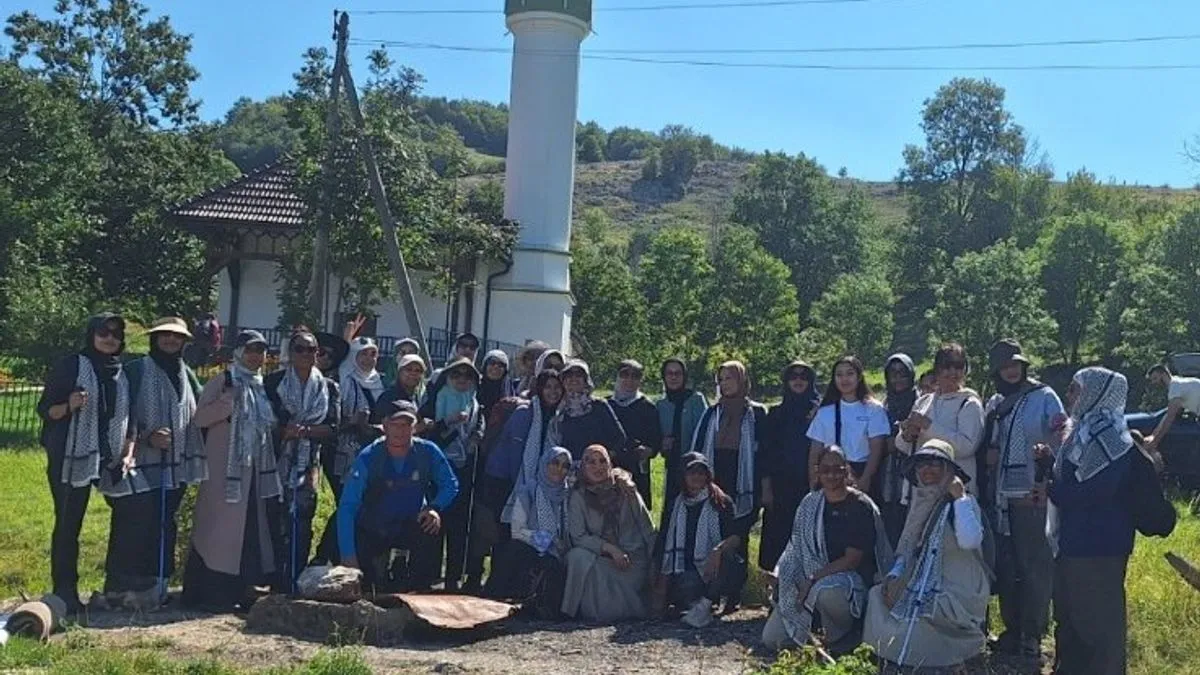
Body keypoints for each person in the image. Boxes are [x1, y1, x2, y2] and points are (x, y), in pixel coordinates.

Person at [863, 439, 990, 670]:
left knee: (917, 626)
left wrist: (959, 497)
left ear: (948, 469)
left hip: (956, 591)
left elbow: (970, 540)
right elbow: (906, 550)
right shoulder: (920, 503)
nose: (927, 469)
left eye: (934, 463)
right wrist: (894, 577)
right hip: (920, 583)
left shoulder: (964, 502)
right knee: (876, 596)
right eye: (921, 464)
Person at [107, 317, 207, 606]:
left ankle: (156, 583)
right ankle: (121, 585)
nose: (170, 341)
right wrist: (146, 437)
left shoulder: (185, 373)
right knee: (133, 522)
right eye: (165, 336)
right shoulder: (136, 370)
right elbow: (120, 409)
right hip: (137, 461)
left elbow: (198, 406)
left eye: (176, 338)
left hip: (175, 464)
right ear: (155, 338)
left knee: (164, 522)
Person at [38, 313, 133, 613]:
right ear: (91, 334)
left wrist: (128, 451)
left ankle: (116, 585)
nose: (110, 338)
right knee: (69, 524)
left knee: (128, 516)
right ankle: (65, 592)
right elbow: (45, 409)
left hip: (112, 457)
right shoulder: (72, 365)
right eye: (103, 332)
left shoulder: (122, 370)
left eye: (116, 334)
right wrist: (69, 405)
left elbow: (130, 416)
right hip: (71, 455)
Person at [1048, 367, 1136, 675]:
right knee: (1072, 619)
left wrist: (1052, 491)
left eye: (1075, 390)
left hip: (1099, 546)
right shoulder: (1082, 431)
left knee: (1099, 628)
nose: (1069, 396)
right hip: (1074, 542)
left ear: (1096, 393)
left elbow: (1093, 493)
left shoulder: (1111, 438)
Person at [982, 339, 1067, 659]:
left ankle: (1032, 635)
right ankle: (1012, 629)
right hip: (1000, 498)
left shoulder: (1045, 397)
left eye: (1015, 364)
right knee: (1007, 567)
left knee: (1035, 568)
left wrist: (1048, 472)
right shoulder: (994, 403)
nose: (1011, 370)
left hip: (1034, 495)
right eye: (1005, 366)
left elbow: (1062, 439)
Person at [183, 330, 279, 612]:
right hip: (222, 470)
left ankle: (241, 590)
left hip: (252, 471)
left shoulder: (260, 386)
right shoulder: (222, 381)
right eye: (250, 350)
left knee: (247, 531)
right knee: (216, 530)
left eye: (260, 351)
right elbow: (199, 418)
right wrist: (227, 404)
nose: (255, 356)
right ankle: (211, 594)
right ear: (238, 352)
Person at [763, 446, 892, 655]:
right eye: (826, 469)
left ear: (846, 470)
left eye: (837, 469)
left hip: (846, 582)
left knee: (826, 593)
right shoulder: (809, 503)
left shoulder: (860, 506)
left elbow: (852, 560)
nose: (831, 475)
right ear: (818, 472)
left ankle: (842, 638)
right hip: (808, 581)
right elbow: (795, 546)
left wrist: (813, 579)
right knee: (772, 639)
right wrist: (779, 574)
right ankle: (812, 631)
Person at [338, 400, 460, 592]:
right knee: (370, 585)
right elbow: (347, 507)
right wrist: (348, 556)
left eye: (406, 425)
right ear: (384, 426)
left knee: (431, 527)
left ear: (415, 427)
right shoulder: (368, 456)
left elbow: (450, 485)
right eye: (395, 424)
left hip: (411, 522)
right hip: (374, 526)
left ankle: (419, 587)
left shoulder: (428, 452)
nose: (400, 430)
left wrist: (435, 507)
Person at [474, 369, 564, 592]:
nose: (552, 392)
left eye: (556, 387)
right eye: (548, 387)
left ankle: (516, 586)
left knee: (523, 537)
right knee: (503, 535)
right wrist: (527, 490)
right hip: (506, 481)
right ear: (539, 389)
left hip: (529, 483)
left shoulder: (556, 417)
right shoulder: (525, 413)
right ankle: (495, 586)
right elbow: (516, 455)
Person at [263, 331, 336, 591]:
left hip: (309, 463)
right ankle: (274, 579)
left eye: (311, 350)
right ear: (290, 352)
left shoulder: (328, 387)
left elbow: (332, 428)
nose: (306, 354)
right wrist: (284, 432)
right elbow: (266, 422)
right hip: (277, 460)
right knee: (276, 519)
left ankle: (294, 578)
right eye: (300, 349)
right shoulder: (273, 382)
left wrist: (303, 431)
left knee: (303, 520)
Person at [692, 360, 768, 612]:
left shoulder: (757, 414)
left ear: (743, 381)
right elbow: (698, 449)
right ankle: (712, 590)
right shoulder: (711, 413)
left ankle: (734, 591)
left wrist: (765, 487)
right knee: (713, 531)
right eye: (722, 379)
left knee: (739, 535)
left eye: (731, 378)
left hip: (746, 479)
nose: (726, 383)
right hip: (716, 476)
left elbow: (766, 453)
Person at [561, 444, 656, 623]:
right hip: (604, 556)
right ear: (583, 467)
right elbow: (578, 536)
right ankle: (579, 612)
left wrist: (655, 563)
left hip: (632, 559)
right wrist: (610, 549)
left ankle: (626, 608)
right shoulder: (578, 496)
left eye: (602, 461)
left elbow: (647, 527)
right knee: (577, 557)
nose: (598, 467)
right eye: (591, 462)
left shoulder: (626, 489)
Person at [654, 452, 744, 628]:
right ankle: (689, 605)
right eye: (691, 472)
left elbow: (736, 537)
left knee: (729, 558)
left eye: (701, 472)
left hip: (711, 570)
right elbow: (663, 542)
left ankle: (705, 604)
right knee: (684, 585)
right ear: (683, 476)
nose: (697, 477)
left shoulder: (722, 502)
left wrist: (718, 550)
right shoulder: (675, 505)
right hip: (682, 571)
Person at [315, 335, 382, 564]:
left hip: (370, 451)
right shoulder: (342, 380)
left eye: (372, 353)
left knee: (360, 504)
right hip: (341, 453)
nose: (368, 359)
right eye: (362, 353)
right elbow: (330, 420)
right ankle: (323, 555)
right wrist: (353, 421)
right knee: (347, 503)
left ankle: (340, 555)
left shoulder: (380, 383)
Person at [420, 357, 485, 591]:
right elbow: (429, 432)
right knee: (435, 519)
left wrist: (476, 435)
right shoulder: (438, 398)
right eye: (456, 375)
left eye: (467, 376)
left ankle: (453, 577)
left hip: (464, 468)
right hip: (438, 467)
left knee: (459, 526)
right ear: (448, 376)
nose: (461, 380)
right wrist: (449, 422)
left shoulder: (475, 403)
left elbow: (479, 427)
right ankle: (428, 576)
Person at [485, 447, 573, 617]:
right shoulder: (528, 491)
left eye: (565, 466)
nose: (559, 469)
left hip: (559, 552)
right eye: (554, 463)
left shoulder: (568, 495)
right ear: (544, 463)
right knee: (515, 549)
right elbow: (517, 531)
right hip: (530, 547)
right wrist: (549, 541)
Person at [896, 343, 985, 493]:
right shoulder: (923, 401)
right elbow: (903, 446)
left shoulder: (969, 403)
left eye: (958, 367)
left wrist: (928, 426)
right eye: (947, 367)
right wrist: (906, 435)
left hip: (955, 490)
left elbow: (967, 447)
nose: (953, 372)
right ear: (937, 370)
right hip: (920, 489)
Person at [759, 361, 820, 573]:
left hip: (810, 485)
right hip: (780, 488)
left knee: (807, 539)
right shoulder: (775, 414)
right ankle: (775, 595)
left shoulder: (820, 412)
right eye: (793, 376)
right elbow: (765, 454)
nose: (798, 381)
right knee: (777, 539)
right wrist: (766, 489)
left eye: (804, 377)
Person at [807, 356, 890, 495]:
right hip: (830, 473)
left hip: (861, 471)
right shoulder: (824, 411)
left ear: (859, 377)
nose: (844, 379)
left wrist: (865, 479)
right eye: (839, 375)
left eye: (850, 373)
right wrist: (813, 478)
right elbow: (815, 450)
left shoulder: (874, 409)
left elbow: (876, 448)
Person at [656, 357, 709, 517]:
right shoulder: (661, 405)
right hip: (673, 465)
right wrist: (661, 443)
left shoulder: (696, 400)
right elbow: (656, 435)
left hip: (696, 466)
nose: (673, 377)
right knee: (672, 510)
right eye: (669, 373)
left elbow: (704, 432)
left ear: (684, 376)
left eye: (677, 373)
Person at [608, 359, 663, 509]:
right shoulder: (606, 405)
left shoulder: (647, 407)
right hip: (609, 467)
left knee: (636, 517)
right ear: (617, 377)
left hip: (636, 469)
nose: (629, 380)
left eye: (635, 376)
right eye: (624, 374)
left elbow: (656, 439)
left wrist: (649, 450)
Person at [880, 353, 918, 547]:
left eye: (903, 373)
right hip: (888, 475)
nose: (898, 379)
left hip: (916, 472)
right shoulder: (884, 406)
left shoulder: (922, 402)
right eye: (893, 374)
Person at [557, 360, 626, 463]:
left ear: (586, 380)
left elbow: (620, 438)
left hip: (597, 471)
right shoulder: (558, 409)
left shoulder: (599, 405)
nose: (573, 378)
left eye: (578, 374)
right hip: (568, 471)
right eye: (569, 375)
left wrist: (603, 461)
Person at [1143, 363, 1200, 453]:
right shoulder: (1178, 382)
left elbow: (1170, 418)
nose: (1154, 382)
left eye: (1155, 378)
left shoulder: (1175, 388)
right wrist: (1153, 435)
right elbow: (1170, 413)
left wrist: (1154, 442)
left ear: (1163, 374)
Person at [372, 354, 427, 423]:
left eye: (418, 371)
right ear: (399, 372)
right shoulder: (388, 397)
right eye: (408, 369)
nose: (413, 373)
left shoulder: (418, 397)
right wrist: (419, 428)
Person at [478, 349, 515, 418]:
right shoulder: (474, 388)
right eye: (492, 363)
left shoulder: (509, 393)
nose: (496, 367)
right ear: (485, 366)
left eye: (501, 364)